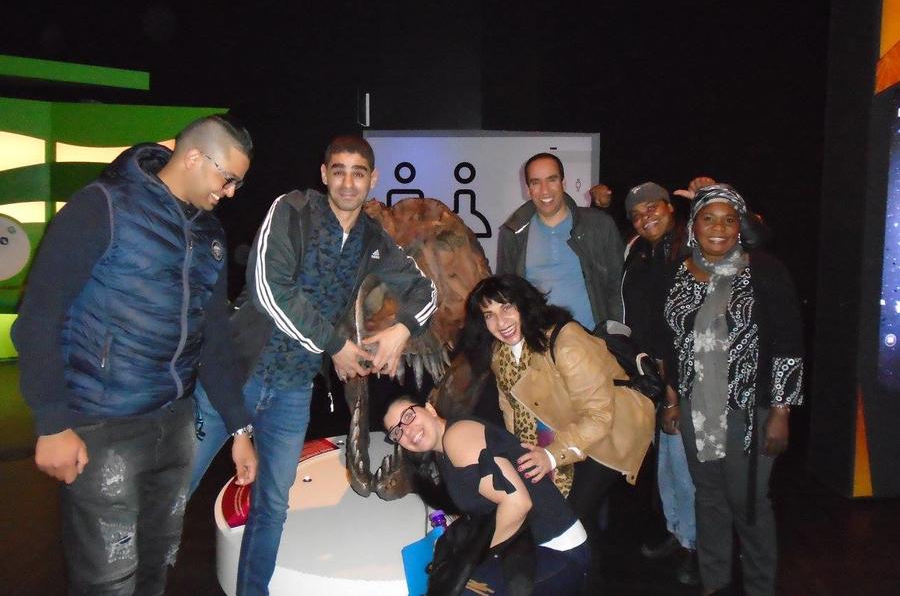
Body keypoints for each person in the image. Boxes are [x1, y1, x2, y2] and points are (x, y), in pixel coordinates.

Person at [12, 114, 258, 594]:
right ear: (193, 157)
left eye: (237, 184)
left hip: (176, 424)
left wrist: (239, 427)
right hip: (104, 426)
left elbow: (214, 340)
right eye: (227, 178)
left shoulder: (209, 235)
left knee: (156, 567)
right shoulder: (103, 206)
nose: (230, 193)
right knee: (107, 581)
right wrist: (52, 422)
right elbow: (39, 317)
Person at [189, 135, 437, 595]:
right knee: (174, 490)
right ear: (324, 174)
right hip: (237, 374)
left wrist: (402, 329)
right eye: (338, 171)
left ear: (372, 179)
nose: (348, 182)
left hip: (292, 389)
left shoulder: (371, 239)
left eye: (358, 173)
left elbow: (426, 290)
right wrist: (335, 345)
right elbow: (270, 290)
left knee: (272, 507)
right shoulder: (293, 210)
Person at [663, 184, 803, 596]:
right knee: (708, 499)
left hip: (749, 410)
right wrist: (671, 400)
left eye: (729, 220)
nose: (719, 228)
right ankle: (715, 585)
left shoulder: (765, 270)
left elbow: (789, 343)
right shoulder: (678, 273)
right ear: (693, 226)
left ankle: (760, 588)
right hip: (696, 407)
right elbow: (670, 342)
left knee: (749, 503)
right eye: (708, 218)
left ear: (741, 226)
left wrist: (781, 410)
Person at [456, 274, 655, 563]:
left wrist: (550, 456)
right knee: (555, 508)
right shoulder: (500, 353)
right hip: (565, 425)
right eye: (489, 315)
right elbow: (511, 408)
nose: (500, 322)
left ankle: (586, 572)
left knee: (571, 518)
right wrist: (520, 453)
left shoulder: (566, 341)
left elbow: (599, 416)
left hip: (610, 428)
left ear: (524, 304)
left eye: (507, 307)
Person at [383, 397, 590, 595]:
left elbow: (518, 502)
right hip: (524, 546)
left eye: (408, 416)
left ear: (429, 408)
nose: (407, 431)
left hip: (557, 550)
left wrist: (477, 558)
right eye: (397, 432)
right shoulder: (444, 450)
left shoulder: (458, 436)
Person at [621, 181, 698, 585]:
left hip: (689, 376)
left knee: (688, 464)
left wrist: (674, 392)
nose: (645, 217)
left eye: (652, 208)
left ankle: (696, 548)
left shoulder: (694, 249)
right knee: (669, 463)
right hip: (654, 372)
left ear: (670, 208)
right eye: (636, 214)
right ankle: (677, 531)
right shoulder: (639, 251)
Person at [496, 153, 624, 329]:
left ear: (563, 183)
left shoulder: (599, 225)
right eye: (536, 182)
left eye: (552, 180)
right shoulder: (513, 233)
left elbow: (617, 287)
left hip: (594, 340)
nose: (545, 190)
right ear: (528, 189)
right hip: (539, 340)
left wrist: (616, 334)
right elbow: (506, 295)